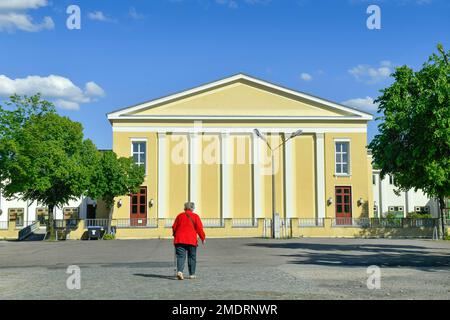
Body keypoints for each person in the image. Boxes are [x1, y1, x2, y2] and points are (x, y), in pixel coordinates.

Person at [172, 202, 206, 280]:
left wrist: (175, 235)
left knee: (180, 256)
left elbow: (174, 227)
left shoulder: (179, 216)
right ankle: (192, 274)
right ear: (192, 208)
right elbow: (199, 228)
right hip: (191, 240)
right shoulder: (195, 216)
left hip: (179, 240)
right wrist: (203, 238)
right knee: (192, 257)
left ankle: (180, 271)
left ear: (185, 207)